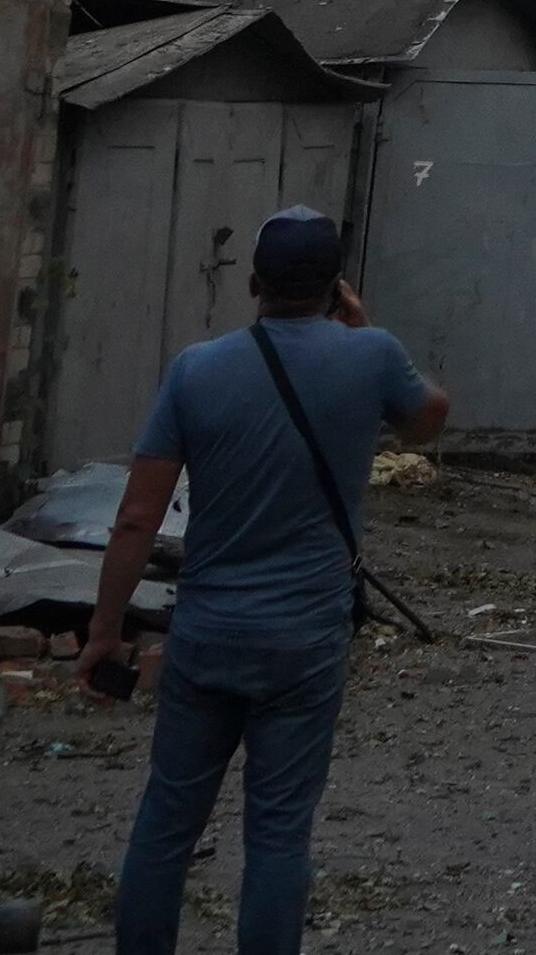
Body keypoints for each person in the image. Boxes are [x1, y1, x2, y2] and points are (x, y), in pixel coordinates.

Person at [81, 208, 449, 955]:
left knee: (167, 822)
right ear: (337, 287)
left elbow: (136, 518)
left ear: (251, 282)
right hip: (305, 641)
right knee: (279, 832)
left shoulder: (196, 368)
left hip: (208, 633)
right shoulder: (371, 355)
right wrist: (360, 331)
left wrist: (105, 630)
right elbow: (428, 423)